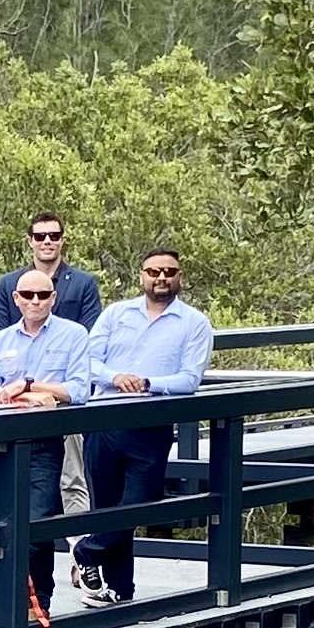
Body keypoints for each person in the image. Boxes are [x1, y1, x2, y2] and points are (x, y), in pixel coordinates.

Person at [74, 246, 212, 604]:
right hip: (104, 419)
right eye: (154, 271)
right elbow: (88, 361)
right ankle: (118, 590)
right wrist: (116, 376)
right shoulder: (116, 314)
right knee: (107, 506)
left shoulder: (194, 323)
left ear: (180, 277)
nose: (161, 277)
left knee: (139, 503)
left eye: (169, 271)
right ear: (142, 276)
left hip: (151, 425)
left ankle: (86, 552)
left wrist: (148, 383)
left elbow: (189, 379)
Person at [0, 262, 97, 628]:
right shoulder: (2, 341)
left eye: (43, 295)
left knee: (37, 522)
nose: (35, 301)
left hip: (45, 443)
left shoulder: (73, 335)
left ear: (53, 298)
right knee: (5, 525)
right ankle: (12, 603)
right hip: (2, 444)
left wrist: (25, 386)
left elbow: (78, 391)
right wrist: (27, 392)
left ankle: (37, 602)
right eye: (27, 295)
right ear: (16, 299)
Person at [0, 212, 101, 345]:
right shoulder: (9, 284)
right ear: (30, 241)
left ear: (62, 241)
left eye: (54, 236)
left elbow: (90, 334)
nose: (47, 241)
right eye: (40, 237)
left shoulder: (83, 284)